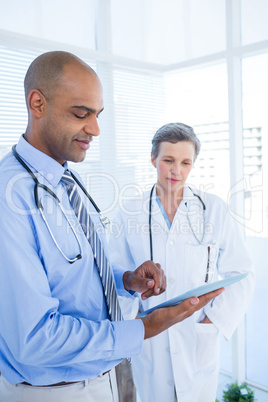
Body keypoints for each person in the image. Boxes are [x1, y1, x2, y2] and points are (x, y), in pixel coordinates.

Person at [0, 52, 224, 402]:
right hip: (50, 393)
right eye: (81, 113)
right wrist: (143, 329)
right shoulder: (9, 197)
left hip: (99, 381)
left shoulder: (65, 182)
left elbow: (75, 270)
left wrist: (125, 279)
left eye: (98, 114)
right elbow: (33, 338)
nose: (95, 129)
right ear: (37, 103)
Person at [108, 122, 255, 402]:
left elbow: (242, 271)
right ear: (153, 159)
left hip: (197, 334)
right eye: (168, 160)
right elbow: (117, 276)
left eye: (186, 162)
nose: (177, 171)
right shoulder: (129, 212)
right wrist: (133, 321)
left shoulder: (213, 208)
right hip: (150, 335)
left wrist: (213, 320)